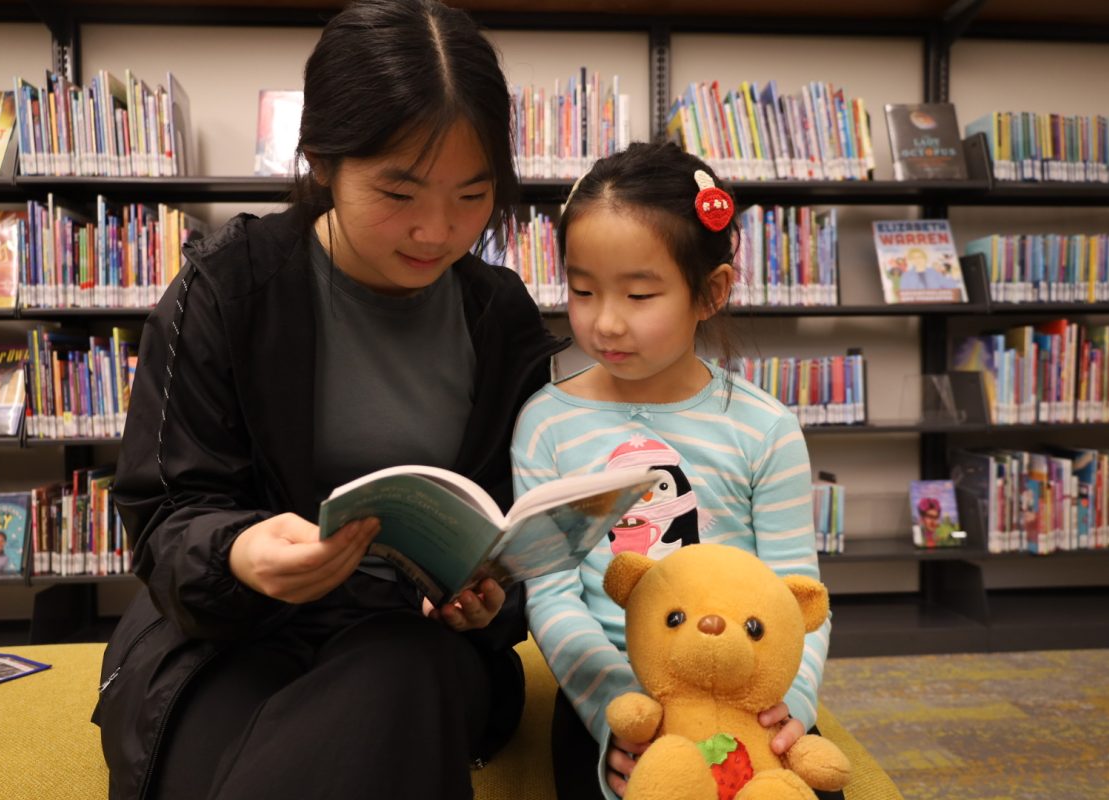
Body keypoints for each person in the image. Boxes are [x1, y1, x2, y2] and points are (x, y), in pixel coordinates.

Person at [92, 2, 564, 799]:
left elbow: (522, 520)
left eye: (472, 196)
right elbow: (166, 512)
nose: (437, 231)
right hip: (226, 634)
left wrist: (494, 597)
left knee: (395, 686)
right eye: (399, 192)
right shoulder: (226, 288)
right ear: (319, 159)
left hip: (411, 638)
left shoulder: (498, 316)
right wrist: (239, 553)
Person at [511, 141, 837, 800]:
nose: (605, 321)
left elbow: (798, 592)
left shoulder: (762, 428)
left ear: (709, 292)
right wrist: (616, 708)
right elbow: (552, 594)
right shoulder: (546, 423)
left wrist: (791, 703)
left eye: (639, 294)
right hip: (614, 695)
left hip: (745, 688)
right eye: (581, 289)